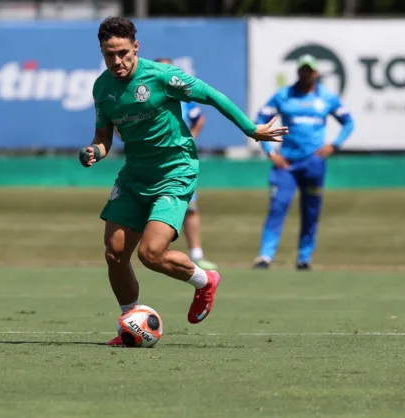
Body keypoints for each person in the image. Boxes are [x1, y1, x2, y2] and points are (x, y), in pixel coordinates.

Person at [79, 17, 287, 346]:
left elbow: (212, 96)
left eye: (122, 53)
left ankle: (205, 281)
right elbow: (104, 136)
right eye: (108, 54)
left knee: (151, 253)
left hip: (175, 172)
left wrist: (251, 129)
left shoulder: (162, 77)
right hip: (135, 175)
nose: (116, 61)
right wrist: (94, 150)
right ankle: (130, 323)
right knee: (115, 253)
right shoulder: (102, 87)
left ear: (136, 47)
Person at [252, 54, 354, 271]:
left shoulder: (327, 97)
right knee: (277, 206)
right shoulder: (283, 96)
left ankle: (304, 257)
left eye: (310, 70)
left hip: (314, 162)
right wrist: (270, 151)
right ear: (298, 71)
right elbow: (260, 120)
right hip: (286, 163)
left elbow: (348, 122)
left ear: (316, 73)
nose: (306, 73)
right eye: (303, 69)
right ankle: (265, 256)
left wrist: (334, 145)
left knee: (311, 210)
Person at [155, 57, 217, 271]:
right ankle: (147, 253)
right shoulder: (144, 95)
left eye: (169, 67)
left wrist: (190, 137)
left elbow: (199, 117)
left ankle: (197, 254)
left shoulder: (183, 97)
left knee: (190, 208)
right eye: (162, 67)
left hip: (178, 163)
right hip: (149, 162)